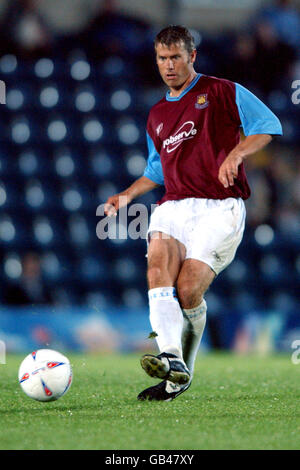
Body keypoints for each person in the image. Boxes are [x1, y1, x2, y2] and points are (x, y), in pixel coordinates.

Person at [104, 25, 283, 401]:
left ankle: (181, 370)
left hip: (220, 207)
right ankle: (171, 359)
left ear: (192, 57)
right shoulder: (155, 115)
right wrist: (127, 194)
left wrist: (236, 153)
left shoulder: (221, 90)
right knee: (157, 267)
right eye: (162, 58)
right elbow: (157, 168)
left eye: (175, 58)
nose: (168, 66)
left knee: (187, 291)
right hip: (173, 204)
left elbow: (268, 126)